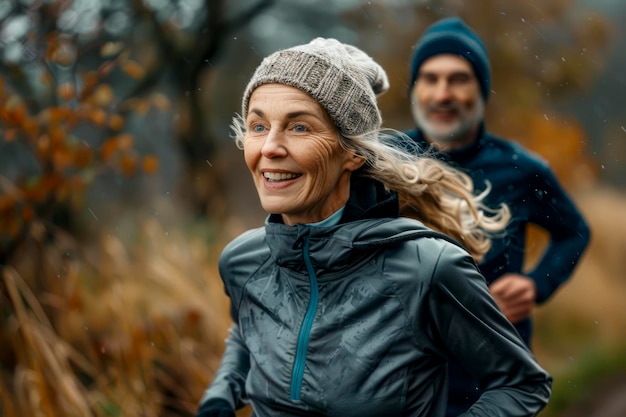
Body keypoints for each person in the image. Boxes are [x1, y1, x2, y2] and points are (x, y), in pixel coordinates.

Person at [195, 37, 551, 417]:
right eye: (258, 125)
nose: (270, 147)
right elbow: (250, 335)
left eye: (299, 127)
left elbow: (520, 383)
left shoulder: (427, 269)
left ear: (351, 152)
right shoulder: (243, 261)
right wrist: (220, 396)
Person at [404, 17, 591, 416]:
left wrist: (536, 284)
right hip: (402, 378)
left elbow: (574, 231)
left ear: (481, 89)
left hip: (492, 381)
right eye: (430, 78)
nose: (442, 93)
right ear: (414, 89)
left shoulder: (521, 170)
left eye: (458, 79)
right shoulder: (386, 163)